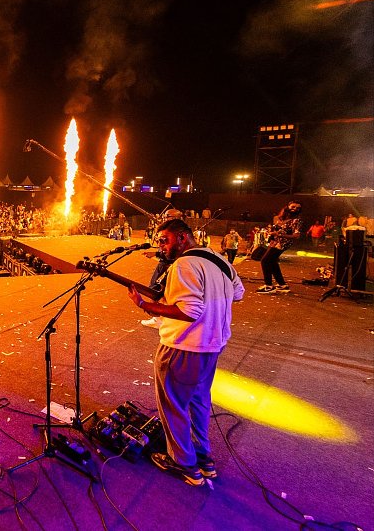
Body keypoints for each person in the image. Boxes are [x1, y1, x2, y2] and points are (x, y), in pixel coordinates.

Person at [127, 218, 244, 486]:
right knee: (199, 402)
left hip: (182, 347)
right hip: (211, 346)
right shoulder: (219, 259)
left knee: (174, 405)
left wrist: (144, 305)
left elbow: (189, 311)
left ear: (182, 238)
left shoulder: (184, 264)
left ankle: (184, 464)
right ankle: (203, 458)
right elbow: (238, 293)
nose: (161, 246)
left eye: (164, 240)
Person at [257, 201, 303, 294]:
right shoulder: (280, 218)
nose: (295, 209)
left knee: (265, 260)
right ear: (287, 207)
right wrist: (271, 233)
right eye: (293, 207)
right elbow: (276, 229)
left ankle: (268, 286)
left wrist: (280, 235)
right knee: (272, 261)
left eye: (298, 208)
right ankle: (282, 285)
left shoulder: (296, 220)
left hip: (282, 243)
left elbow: (296, 235)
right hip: (274, 242)